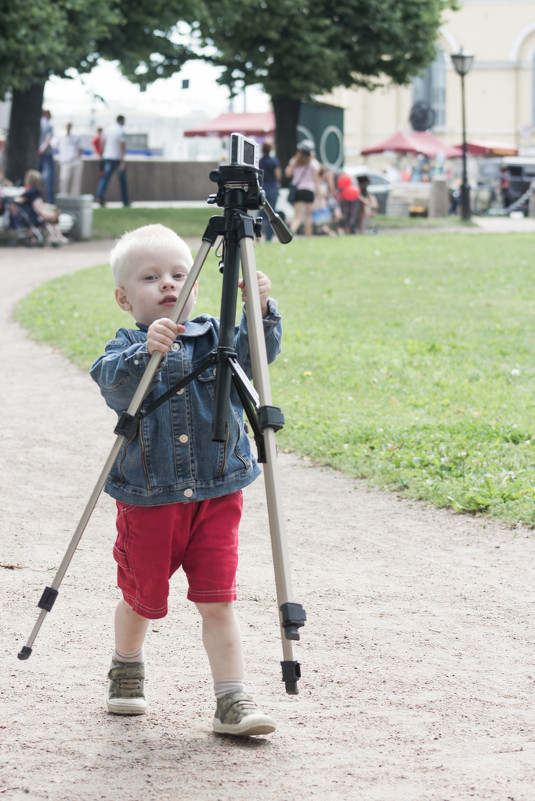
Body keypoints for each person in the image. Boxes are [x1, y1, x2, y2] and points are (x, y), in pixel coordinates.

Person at [89, 224, 282, 737]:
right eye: (151, 278)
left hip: (218, 492)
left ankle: (232, 698)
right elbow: (109, 379)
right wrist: (144, 351)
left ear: (196, 285)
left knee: (218, 598)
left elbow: (257, 357)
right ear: (124, 298)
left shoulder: (217, 339)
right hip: (150, 498)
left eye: (180, 274)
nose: (169, 285)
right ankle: (126, 665)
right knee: (141, 596)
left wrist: (260, 312)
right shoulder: (128, 345)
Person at [9, 169, 68, 246]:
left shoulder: (29, 192)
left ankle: (50, 219)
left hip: (33, 215)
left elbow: (18, 200)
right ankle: (56, 232)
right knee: (40, 209)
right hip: (36, 214)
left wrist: (13, 199)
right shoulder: (35, 192)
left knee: (40, 208)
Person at [284, 140, 320, 237]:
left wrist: (293, 164)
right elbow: (316, 180)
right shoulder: (314, 163)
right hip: (309, 190)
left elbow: (288, 174)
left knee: (298, 216)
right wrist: (318, 193)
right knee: (308, 216)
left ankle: (291, 231)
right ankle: (308, 237)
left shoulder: (294, 161)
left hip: (298, 190)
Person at [96, 115, 129, 207]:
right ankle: (125, 200)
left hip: (107, 156)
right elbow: (122, 145)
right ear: (121, 121)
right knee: (122, 180)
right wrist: (122, 160)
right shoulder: (120, 131)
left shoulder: (108, 129)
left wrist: (102, 153)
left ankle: (100, 197)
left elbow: (102, 142)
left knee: (105, 178)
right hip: (117, 158)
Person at [258, 141, 281, 241]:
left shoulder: (259, 162)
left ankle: (257, 233)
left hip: (262, 189)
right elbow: (278, 176)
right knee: (272, 214)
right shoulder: (273, 161)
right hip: (272, 188)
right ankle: (268, 238)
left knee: (262, 213)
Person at [56, 122, 84, 195]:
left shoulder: (76, 136)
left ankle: (75, 197)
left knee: (76, 182)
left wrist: (79, 158)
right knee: (64, 180)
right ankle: (63, 197)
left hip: (75, 160)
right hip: (65, 162)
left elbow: (80, 148)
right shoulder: (60, 136)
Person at [39, 109, 56, 203]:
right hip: (45, 153)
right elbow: (48, 139)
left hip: (39, 153)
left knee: (40, 177)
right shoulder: (47, 124)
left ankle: (38, 197)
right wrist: (42, 149)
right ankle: (50, 200)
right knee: (49, 177)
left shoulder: (38, 123)